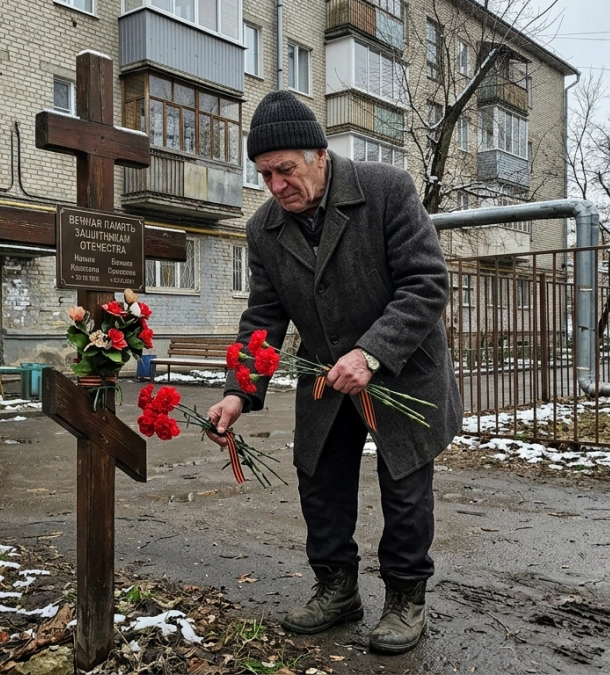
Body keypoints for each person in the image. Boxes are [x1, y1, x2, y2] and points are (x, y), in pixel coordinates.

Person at [206, 90, 462, 655]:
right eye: (265, 174)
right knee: (319, 480)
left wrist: (371, 352)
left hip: (400, 372)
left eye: (285, 170)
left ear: (320, 155)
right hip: (327, 377)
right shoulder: (264, 228)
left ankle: (404, 597)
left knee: (404, 486)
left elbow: (427, 283)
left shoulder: (387, 189)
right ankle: (337, 588)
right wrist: (237, 393)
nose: (275, 186)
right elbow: (263, 319)